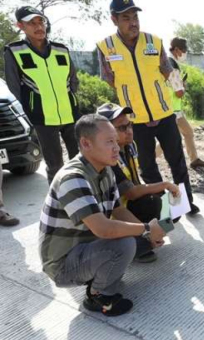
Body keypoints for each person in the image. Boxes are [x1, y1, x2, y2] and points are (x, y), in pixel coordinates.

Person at [39, 114, 168, 316]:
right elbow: (104, 229)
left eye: (116, 141)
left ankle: (102, 275)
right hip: (63, 264)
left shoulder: (105, 170)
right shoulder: (72, 178)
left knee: (140, 242)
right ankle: (98, 295)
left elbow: (118, 210)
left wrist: (147, 235)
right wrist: (147, 228)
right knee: (124, 244)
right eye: (109, 142)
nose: (116, 147)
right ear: (85, 143)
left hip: (86, 248)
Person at [96, 0, 199, 216]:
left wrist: (178, 86)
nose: (133, 22)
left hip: (164, 114)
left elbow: (167, 69)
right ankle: (165, 208)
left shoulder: (153, 41)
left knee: (177, 163)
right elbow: (110, 80)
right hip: (135, 121)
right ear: (114, 20)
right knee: (148, 168)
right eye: (126, 18)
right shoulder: (106, 47)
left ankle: (186, 203)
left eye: (135, 17)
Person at [4, 6, 79, 184]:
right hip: (43, 118)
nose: (39, 27)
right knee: (56, 166)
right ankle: (59, 206)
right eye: (32, 23)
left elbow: (74, 80)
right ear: (21, 26)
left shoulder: (61, 49)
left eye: (41, 22)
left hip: (71, 115)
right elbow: (14, 87)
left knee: (82, 160)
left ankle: (89, 198)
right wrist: (32, 109)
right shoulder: (14, 51)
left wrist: (72, 100)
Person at [97, 103, 180, 263]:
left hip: (128, 207)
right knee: (154, 204)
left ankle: (155, 237)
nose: (129, 130)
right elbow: (131, 193)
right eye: (121, 128)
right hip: (115, 215)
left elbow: (136, 182)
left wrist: (162, 190)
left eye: (130, 125)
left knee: (172, 205)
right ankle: (143, 243)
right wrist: (163, 185)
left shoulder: (129, 146)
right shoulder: (107, 156)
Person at [155, 37, 204, 169]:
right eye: (184, 50)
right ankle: (145, 160)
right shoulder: (171, 65)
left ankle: (194, 159)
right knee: (168, 140)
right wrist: (183, 86)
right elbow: (179, 92)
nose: (185, 53)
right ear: (177, 49)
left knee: (188, 132)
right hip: (171, 110)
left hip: (173, 109)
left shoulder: (165, 62)